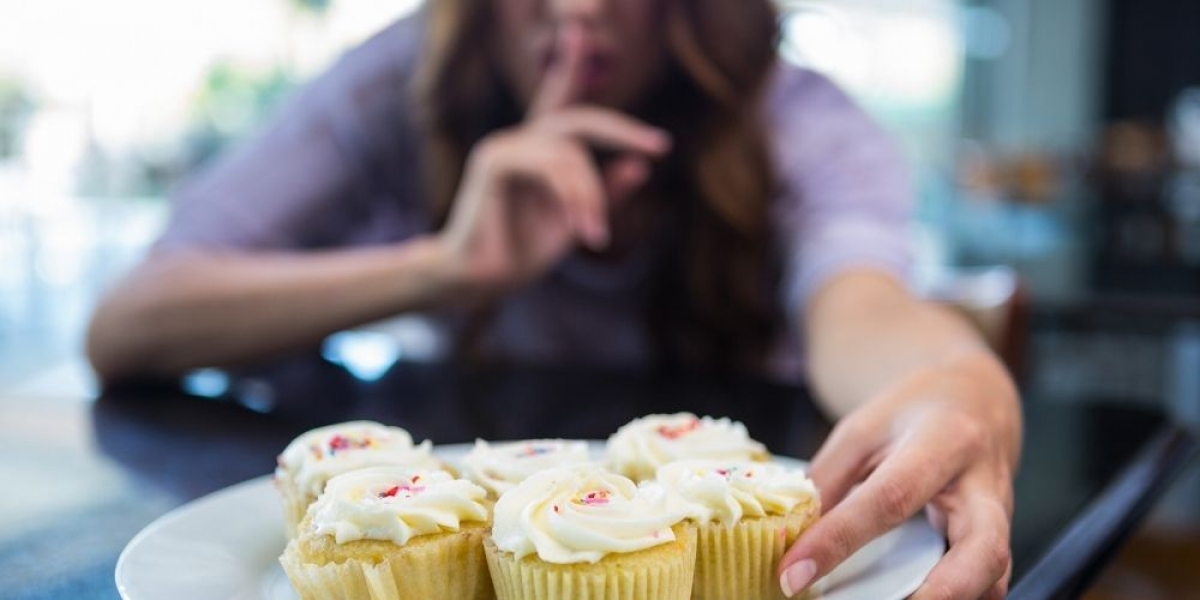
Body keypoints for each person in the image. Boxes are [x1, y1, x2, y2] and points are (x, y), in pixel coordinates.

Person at [86, 0, 1021, 597]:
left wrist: (960, 377)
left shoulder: (800, 121)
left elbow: (858, 307)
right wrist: (443, 265)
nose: (577, 11)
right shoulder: (402, 80)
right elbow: (130, 320)